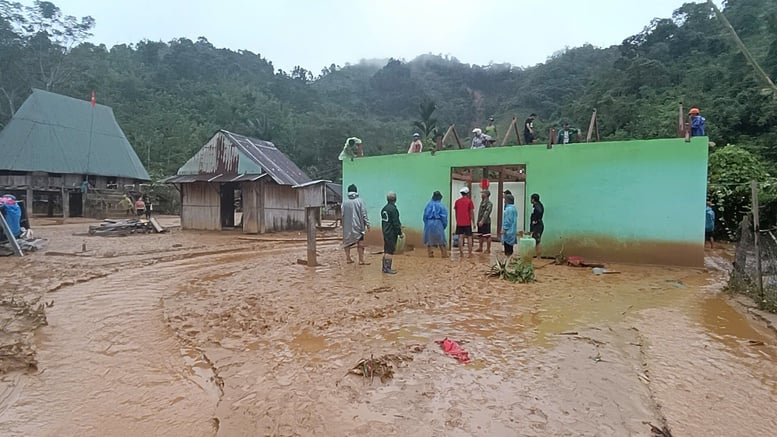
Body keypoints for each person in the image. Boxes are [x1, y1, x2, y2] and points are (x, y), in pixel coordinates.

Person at [342, 184, 370, 265]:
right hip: (358, 226)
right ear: (356, 191)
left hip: (347, 227)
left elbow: (342, 214)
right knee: (360, 242)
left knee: (347, 242)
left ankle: (348, 258)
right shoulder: (360, 201)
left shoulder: (344, 202)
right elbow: (364, 213)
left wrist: (343, 225)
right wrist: (367, 224)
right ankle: (361, 260)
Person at [381, 191, 403, 274]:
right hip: (391, 233)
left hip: (385, 232)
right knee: (390, 251)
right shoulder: (393, 209)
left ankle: (384, 267)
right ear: (395, 199)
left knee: (386, 250)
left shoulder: (384, 208)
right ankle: (387, 268)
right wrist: (400, 233)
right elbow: (395, 223)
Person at [423, 191, 448, 258]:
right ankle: (444, 254)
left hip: (429, 223)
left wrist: (426, 224)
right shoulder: (441, 206)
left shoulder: (428, 205)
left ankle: (430, 254)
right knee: (441, 240)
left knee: (429, 239)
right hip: (438, 223)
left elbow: (425, 216)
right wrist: (444, 225)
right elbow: (444, 217)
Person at [454, 186, 475, 257]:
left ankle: (461, 253)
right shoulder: (469, 201)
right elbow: (471, 212)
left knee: (460, 237)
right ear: (467, 193)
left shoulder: (457, 201)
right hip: (467, 222)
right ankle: (469, 253)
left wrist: (457, 220)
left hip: (459, 222)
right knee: (469, 237)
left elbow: (456, 212)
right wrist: (473, 222)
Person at [530, 193, 544, 258]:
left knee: (537, 242)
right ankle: (537, 256)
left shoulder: (537, 206)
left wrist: (535, 220)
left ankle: (539, 257)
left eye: (531, 199)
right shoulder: (539, 205)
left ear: (533, 199)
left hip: (537, 226)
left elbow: (539, 211)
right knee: (536, 242)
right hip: (538, 225)